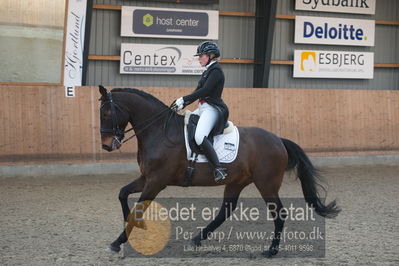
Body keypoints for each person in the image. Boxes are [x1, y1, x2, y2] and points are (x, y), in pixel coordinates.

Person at [171, 41, 229, 182]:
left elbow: (206, 91)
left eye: (201, 56)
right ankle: (192, 159)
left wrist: (184, 98)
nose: (199, 59)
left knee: (199, 136)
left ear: (211, 55)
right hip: (203, 107)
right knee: (186, 125)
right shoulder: (207, 71)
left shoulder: (216, 71)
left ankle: (218, 168)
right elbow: (197, 92)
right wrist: (182, 103)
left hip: (212, 109)